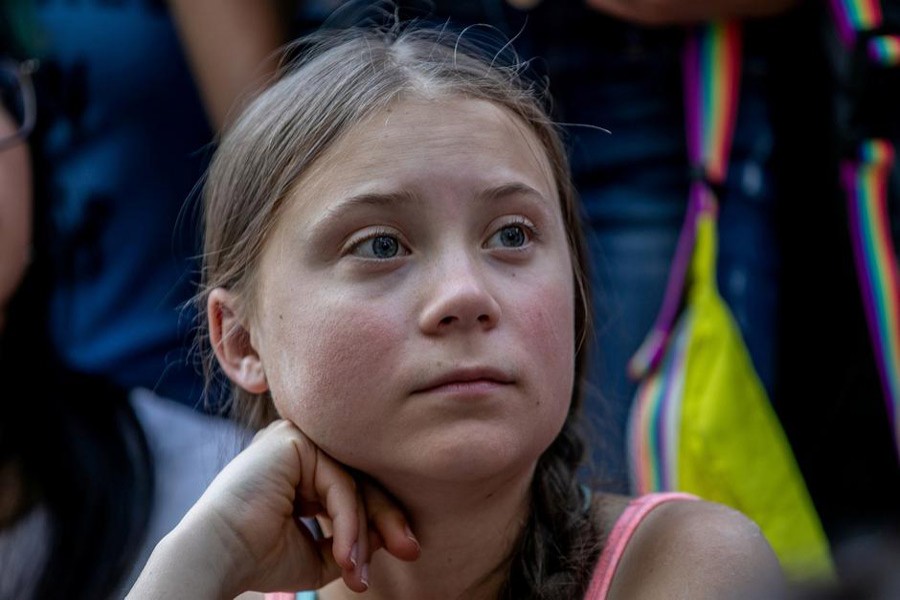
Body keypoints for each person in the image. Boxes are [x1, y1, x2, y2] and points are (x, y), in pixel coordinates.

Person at [127, 22, 786, 599]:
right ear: (241, 340)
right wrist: (196, 559)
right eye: (380, 246)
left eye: (512, 236)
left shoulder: (689, 566)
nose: (465, 295)